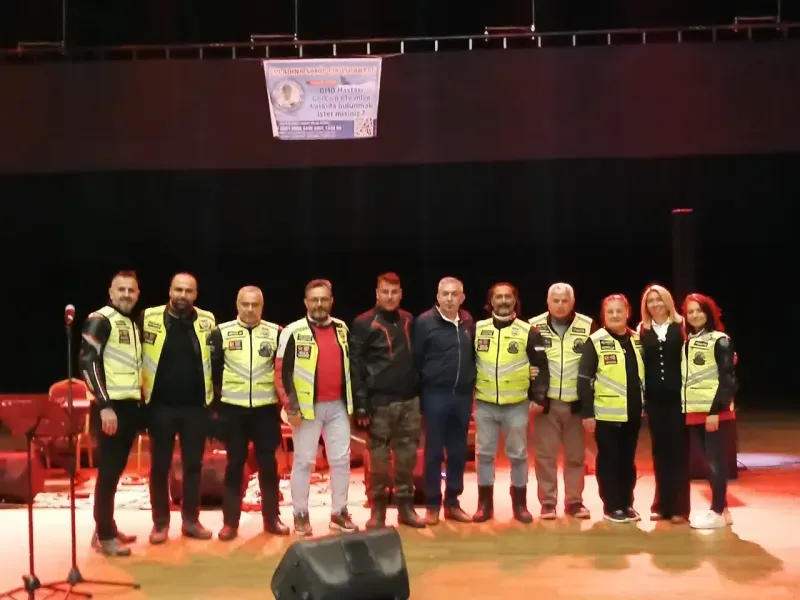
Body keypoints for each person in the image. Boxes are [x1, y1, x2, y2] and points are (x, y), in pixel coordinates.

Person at [275, 279, 357, 536]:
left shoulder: (342, 328)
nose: (319, 304)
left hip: (338, 407)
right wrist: (291, 407)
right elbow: (281, 372)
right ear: (306, 302)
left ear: (331, 301)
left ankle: (339, 513)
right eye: (314, 300)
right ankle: (300, 515)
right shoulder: (292, 331)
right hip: (306, 410)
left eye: (324, 299)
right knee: (303, 462)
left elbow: (350, 367)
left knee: (341, 461)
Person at [208, 286, 290, 540]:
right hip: (233, 410)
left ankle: (272, 519)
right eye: (245, 304)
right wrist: (216, 409)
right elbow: (213, 373)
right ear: (237, 305)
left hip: (265, 410)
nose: (250, 309)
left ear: (262, 306)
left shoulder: (276, 333)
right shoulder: (221, 333)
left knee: (268, 465)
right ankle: (230, 523)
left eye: (255, 305)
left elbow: (283, 372)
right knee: (234, 465)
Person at [141, 272, 216, 544]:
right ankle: (160, 523)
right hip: (159, 406)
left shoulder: (208, 320)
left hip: (196, 407)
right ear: (169, 291)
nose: (183, 295)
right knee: (159, 466)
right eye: (178, 289)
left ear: (195, 294)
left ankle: (191, 521)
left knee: (193, 466)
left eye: (188, 291)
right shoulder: (148, 317)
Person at [350, 273, 426, 529]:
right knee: (379, 462)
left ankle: (406, 509)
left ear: (401, 294)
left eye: (394, 292)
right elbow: (355, 366)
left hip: (409, 401)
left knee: (407, 459)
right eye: (385, 292)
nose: (390, 296)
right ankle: (378, 512)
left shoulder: (409, 319)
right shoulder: (363, 323)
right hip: (379, 404)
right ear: (377, 294)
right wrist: (361, 404)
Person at [472, 283, 549, 523]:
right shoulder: (477, 329)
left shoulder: (529, 332)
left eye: (508, 297)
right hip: (485, 404)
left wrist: (539, 397)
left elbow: (541, 366)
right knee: (484, 454)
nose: (503, 301)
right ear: (491, 301)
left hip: (517, 404)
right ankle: (484, 504)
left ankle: (520, 505)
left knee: (518, 455)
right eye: (499, 297)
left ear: (515, 300)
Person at [79, 270, 143, 556]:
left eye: (131, 290)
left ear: (137, 294)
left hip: (129, 407)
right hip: (110, 409)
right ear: (111, 292)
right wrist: (104, 405)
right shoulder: (100, 319)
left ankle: (106, 527)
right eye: (121, 289)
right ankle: (104, 536)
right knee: (107, 473)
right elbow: (88, 362)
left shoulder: (130, 323)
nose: (126, 294)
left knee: (115, 472)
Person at [529, 282, 596, 520]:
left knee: (576, 457)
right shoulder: (533, 326)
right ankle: (548, 502)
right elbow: (525, 361)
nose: (560, 305)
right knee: (545, 456)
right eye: (555, 300)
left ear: (572, 302)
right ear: (547, 302)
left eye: (564, 300)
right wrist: (532, 394)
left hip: (576, 404)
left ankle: (574, 502)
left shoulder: (587, 326)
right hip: (546, 404)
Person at [414, 277, 476, 525]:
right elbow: (416, 359)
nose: (449, 298)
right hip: (434, 395)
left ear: (462, 298)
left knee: (459, 452)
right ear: (437, 297)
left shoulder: (468, 321)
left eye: (454, 294)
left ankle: (452, 502)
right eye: (445, 294)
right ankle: (432, 504)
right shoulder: (424, 322)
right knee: (434, 452)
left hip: (462, 396)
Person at [578, 294, 645, 523]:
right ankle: (611, 506)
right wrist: (587, 413)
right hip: (606, 415)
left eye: (619, 311)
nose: (615, 315)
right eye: (610, 312)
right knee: (610, 460)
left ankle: (627, 503)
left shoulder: (637, 340)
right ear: (603, 315)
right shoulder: (595, 341)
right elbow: (584, 380)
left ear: (628, 313)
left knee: (628, 461)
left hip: (633, 414)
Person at [681, 293, 737, 530]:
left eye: (699, 310)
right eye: (690, 311)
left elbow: (728, 380)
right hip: (694, 411)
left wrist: (715, 411)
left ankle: (716, 511)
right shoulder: (689, 341)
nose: (695, 315)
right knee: (708, 464)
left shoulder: (720, 340)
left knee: (716, 463)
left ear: (709, 313)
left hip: (714, 413)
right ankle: (723, 510)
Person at [638, 284, 689, 524]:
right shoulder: (642, 330)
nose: (656, 304)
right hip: (655, 401)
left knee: (678, 452)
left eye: (659, 299)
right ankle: (662, 505)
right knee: (659, 452)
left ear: (668, 301)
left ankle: (680, 507)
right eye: (651, 301)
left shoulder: (682, 326)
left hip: (679, 399)